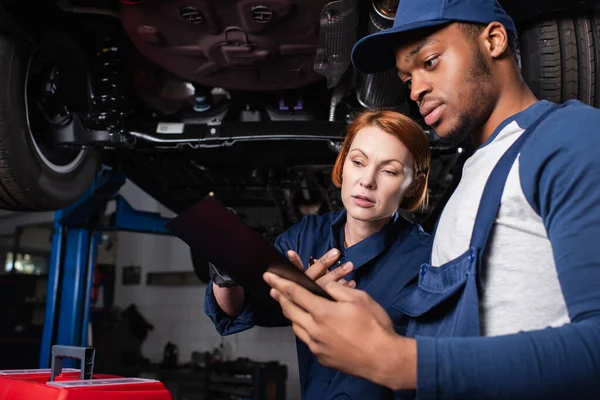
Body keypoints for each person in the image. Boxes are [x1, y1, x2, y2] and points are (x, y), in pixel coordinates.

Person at [262, 0, 600, 398]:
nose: (417, 89)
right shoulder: (473, 178)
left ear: (493, 40)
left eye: (431, 61)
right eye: (407, 80)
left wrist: (399, 359)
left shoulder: (570, 137)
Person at [205, 110, 432, 399]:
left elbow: (431, 375)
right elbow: (241, 306)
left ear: (413, 183)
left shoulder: (428, 261)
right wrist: (227, 271)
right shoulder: (304, 238)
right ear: (343, 163)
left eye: (389, 170)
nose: (367, 181)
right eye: (358, 162)